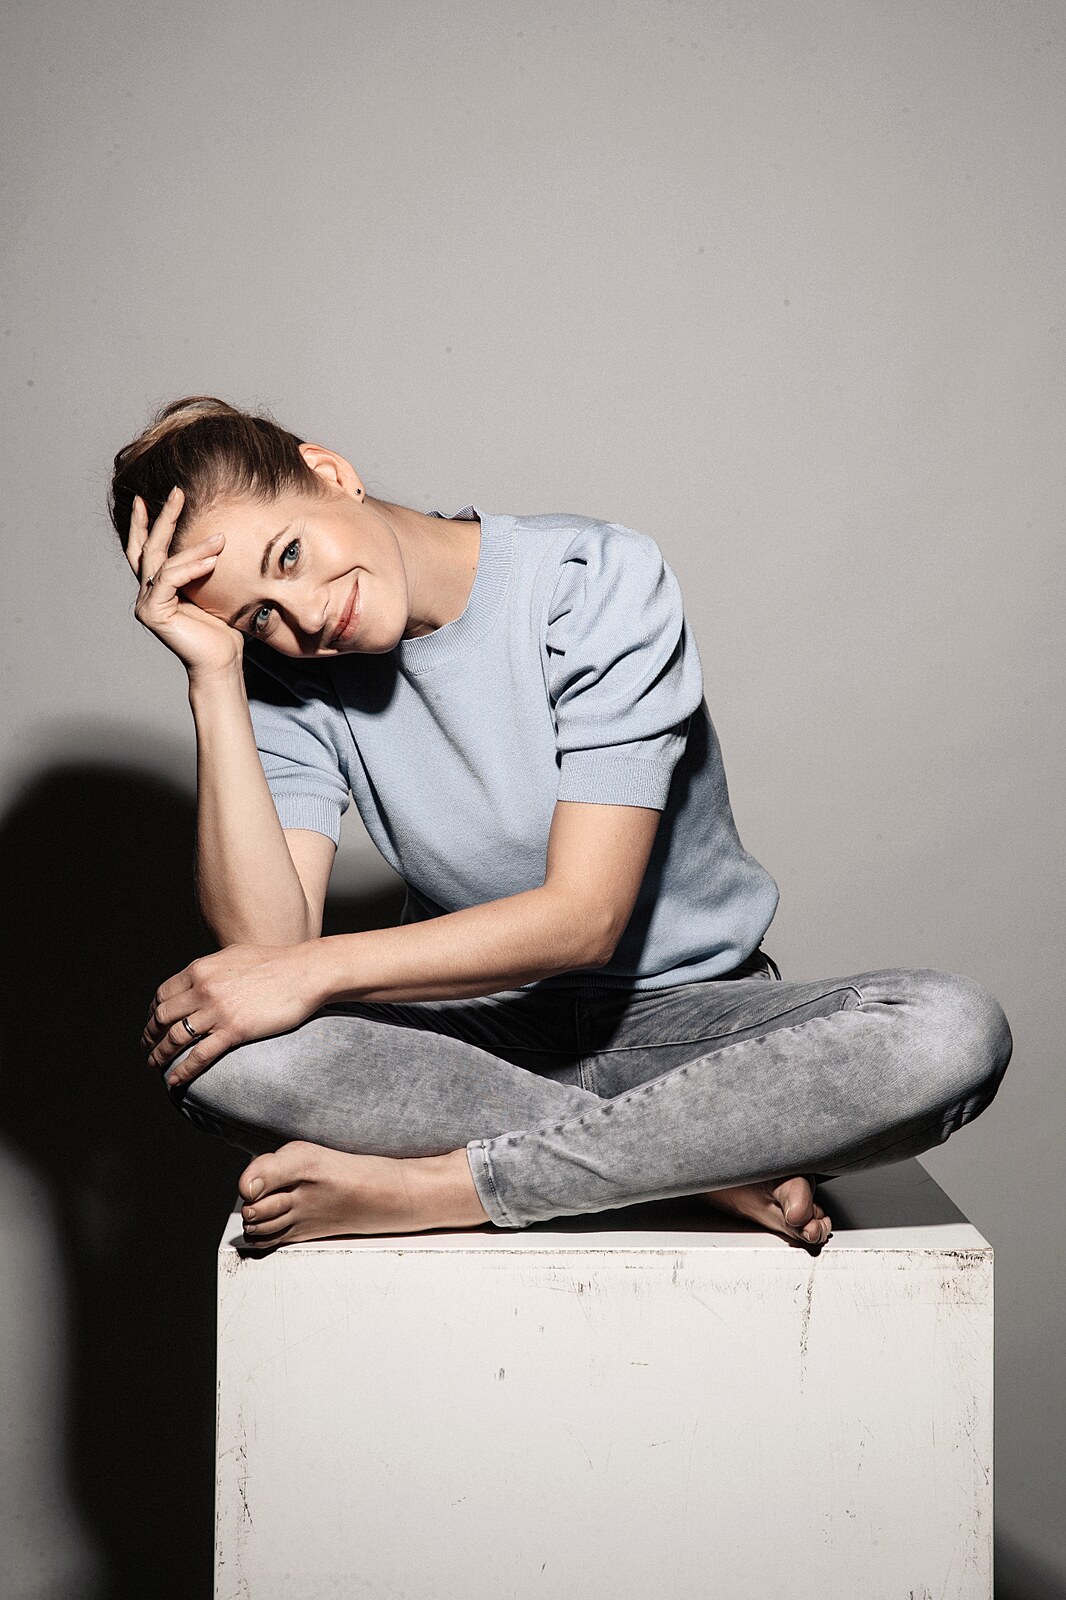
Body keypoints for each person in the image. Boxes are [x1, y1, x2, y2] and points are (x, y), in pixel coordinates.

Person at [109, 395, 1013, 1251]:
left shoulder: (591, 581)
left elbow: (584, 918)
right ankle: (689, 1170)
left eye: (290, 555)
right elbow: (264, 959)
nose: (307, 615)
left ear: (330, 473)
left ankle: (449, 1190)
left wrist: (315, 972)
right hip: (470, 1051)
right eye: (260, 616)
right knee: (218, 1057)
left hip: (689, 1028)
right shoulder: (287, 678)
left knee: (949, 1032)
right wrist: (214, 677)